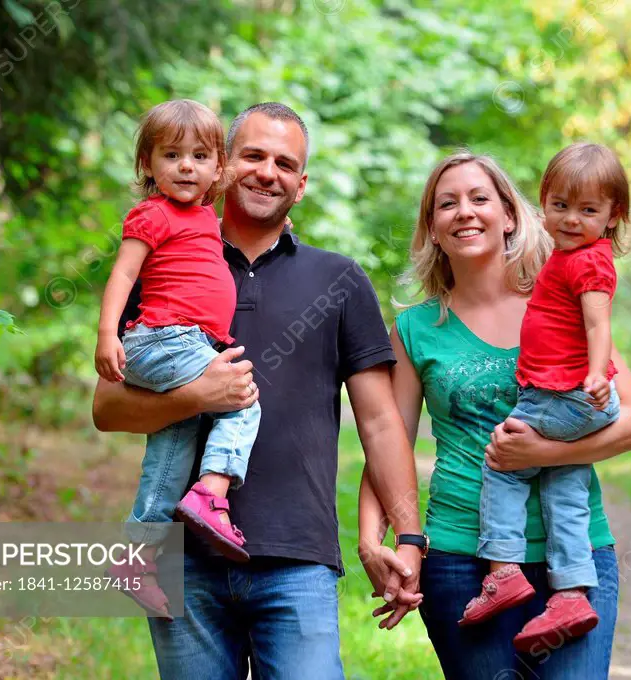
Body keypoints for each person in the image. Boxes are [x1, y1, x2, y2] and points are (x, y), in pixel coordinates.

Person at [92, 102, 423, 679]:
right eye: (253, 155)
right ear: (224, 167)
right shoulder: (169, 259)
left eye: (284, 163)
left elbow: (379, 422)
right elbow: (107, 407)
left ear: (301, 184)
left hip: (298, 558)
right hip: (182, 562)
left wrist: (408, 535)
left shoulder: (339, 279)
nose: (267, 171)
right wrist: (198, 396)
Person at [358, 151, 631, 679]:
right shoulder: (415, 330)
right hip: (460, 560)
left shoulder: (558, 300)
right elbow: (389, 441)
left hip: (576, 560)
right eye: (446, 204)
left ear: (510, 215)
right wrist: (373, 539)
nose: (464, 212)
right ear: (432, 228)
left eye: (479, 199)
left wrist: (545, 452)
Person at [461, 142, 631, 655]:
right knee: (564, 486)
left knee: (504, 458)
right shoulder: (569, 257)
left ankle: (503, 569)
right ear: (542, 206)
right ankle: (573, 592)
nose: (572, 220)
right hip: (574, 398)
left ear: (612, 215)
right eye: (560, 206)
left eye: (588, 211)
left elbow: (598, 322)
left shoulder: (588, 264)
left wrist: (599, 373)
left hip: (565, 394)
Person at [94, 99, 261, 619]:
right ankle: (213, 493)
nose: (186, 166)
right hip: (162, 340)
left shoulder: (207, 217)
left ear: (218, 168)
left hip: (187, 342)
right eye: (171, 155)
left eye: (199, 156)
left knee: (173, 447)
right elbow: (123, 275)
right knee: (241, 397)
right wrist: (106, 334)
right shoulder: (152, 213)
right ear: (149, 165)